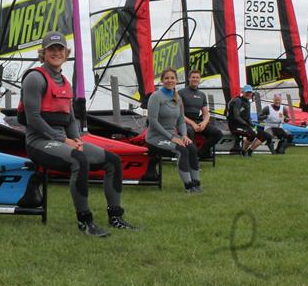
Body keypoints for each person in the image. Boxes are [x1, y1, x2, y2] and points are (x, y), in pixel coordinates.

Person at [20, 31, 137, 237]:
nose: (56, 53)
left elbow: (71, 118)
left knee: (113, 160)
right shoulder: (35, 78)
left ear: (66, 53)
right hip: (38, 143)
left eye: (60, 49)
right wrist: (64, 140)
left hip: (62, 141)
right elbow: (33, 119)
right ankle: (85, 222)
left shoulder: (65, 82)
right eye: (51, 49)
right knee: (79, 161)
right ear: (43, 53)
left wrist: (76, 140)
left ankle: (115, 217)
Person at [146, 67, 202, 193]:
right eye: (166, 78)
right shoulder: (155, 96)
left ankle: (196, 184)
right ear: (161, 80)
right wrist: (173, 138)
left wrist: (184, 135)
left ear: (176, 80)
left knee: (191, 148)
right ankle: (188, 186)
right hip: (155, 138)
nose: (169, 80)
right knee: (182, 150)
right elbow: (153, 122)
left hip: (172, 136)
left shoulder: (178, 97)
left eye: (172, 78)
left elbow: (181, 120)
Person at [178, 69, 224, 159]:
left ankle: (200, 153)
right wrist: (193, 124)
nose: (195, 79)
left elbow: (206, 114)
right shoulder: (181, 92)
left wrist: (204, 123)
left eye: (197, 77)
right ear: (189, 79)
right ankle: (192, 157)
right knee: (190, 131)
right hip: (184, 121)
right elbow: (180, 114)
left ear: (200, 79)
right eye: (193, 77)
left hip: (197, 121)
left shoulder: (202, 95)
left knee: (218, 133)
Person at [227, 85, 271, 156]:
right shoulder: (237, 100)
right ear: (242, 92)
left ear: (252, 93)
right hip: (235, 126)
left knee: (265, 136)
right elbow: (236, 116)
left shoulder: (247, 102)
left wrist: (253, 126)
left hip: (245, 126)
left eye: (250, 92)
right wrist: (247, 125)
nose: (248, 94)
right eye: (246, 92)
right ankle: (243, 151)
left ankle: (250, 151)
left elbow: (248, 118)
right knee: (251, 134)